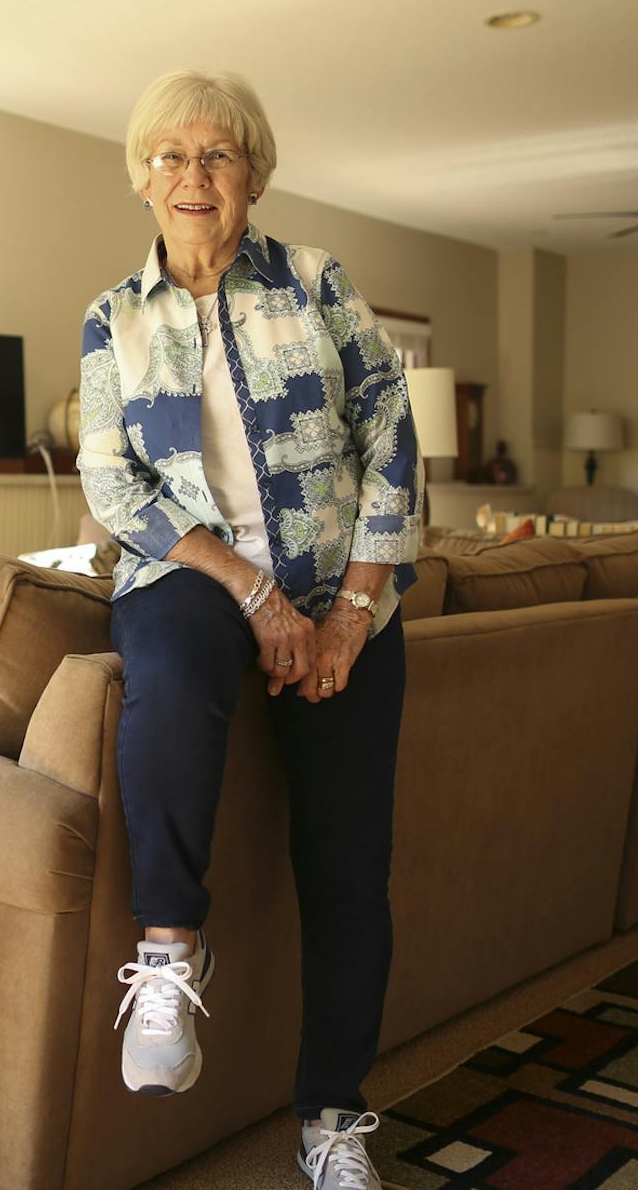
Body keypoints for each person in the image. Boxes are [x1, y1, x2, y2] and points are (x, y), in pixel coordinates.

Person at [77, 69, 419, 1190]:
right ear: (142, 176)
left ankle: (332, 1118)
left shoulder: (318, 283)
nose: (192, 177)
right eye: (169, 157)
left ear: (254, 175)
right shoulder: (113, 318)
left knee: (347, 863)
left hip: (340, 591)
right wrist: (252, 592)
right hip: (193, 575)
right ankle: (168, 950)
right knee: (167, 671)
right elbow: (111, 481)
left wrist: (351, 612)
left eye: (215, 155)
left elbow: (393, 446)